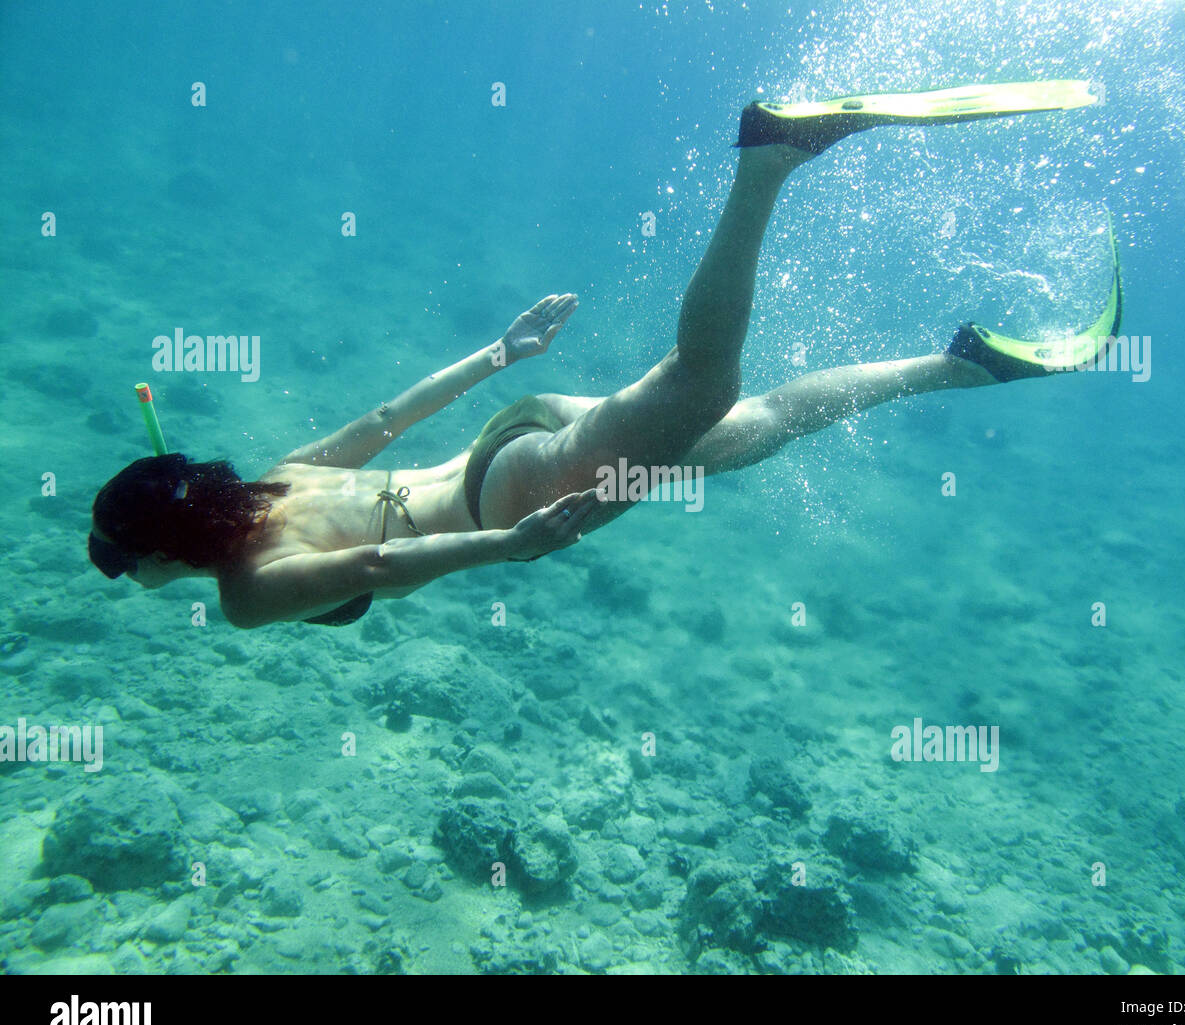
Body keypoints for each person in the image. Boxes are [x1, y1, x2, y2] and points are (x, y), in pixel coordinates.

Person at [88, 81, 1118, 629]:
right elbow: (383, 423)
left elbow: (377, 561)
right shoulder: (268, 488)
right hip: (515, 441)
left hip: (525, 493)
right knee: (740, 429)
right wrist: (499, 354)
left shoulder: (244, 594)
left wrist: (511, 548)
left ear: (160, 548)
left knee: (697, 382)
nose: (126, 576)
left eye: (123, 561)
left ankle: (768, 160)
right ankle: (964, 364)